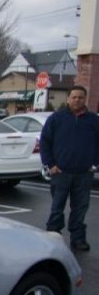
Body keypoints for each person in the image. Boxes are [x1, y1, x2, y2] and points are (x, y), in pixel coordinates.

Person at [40, 85, 99, 251]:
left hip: (84, 173)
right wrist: (51, 165)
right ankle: (53, 235)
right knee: (57, 207)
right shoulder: (56, 119)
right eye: (74, 97)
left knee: (80, 208)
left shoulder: (93, 120)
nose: (77, 100)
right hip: (61, 172)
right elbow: (45, 142)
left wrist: (94, 163)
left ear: (85, 99)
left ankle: (78, 239)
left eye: (80, 97)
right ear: (68, 99)